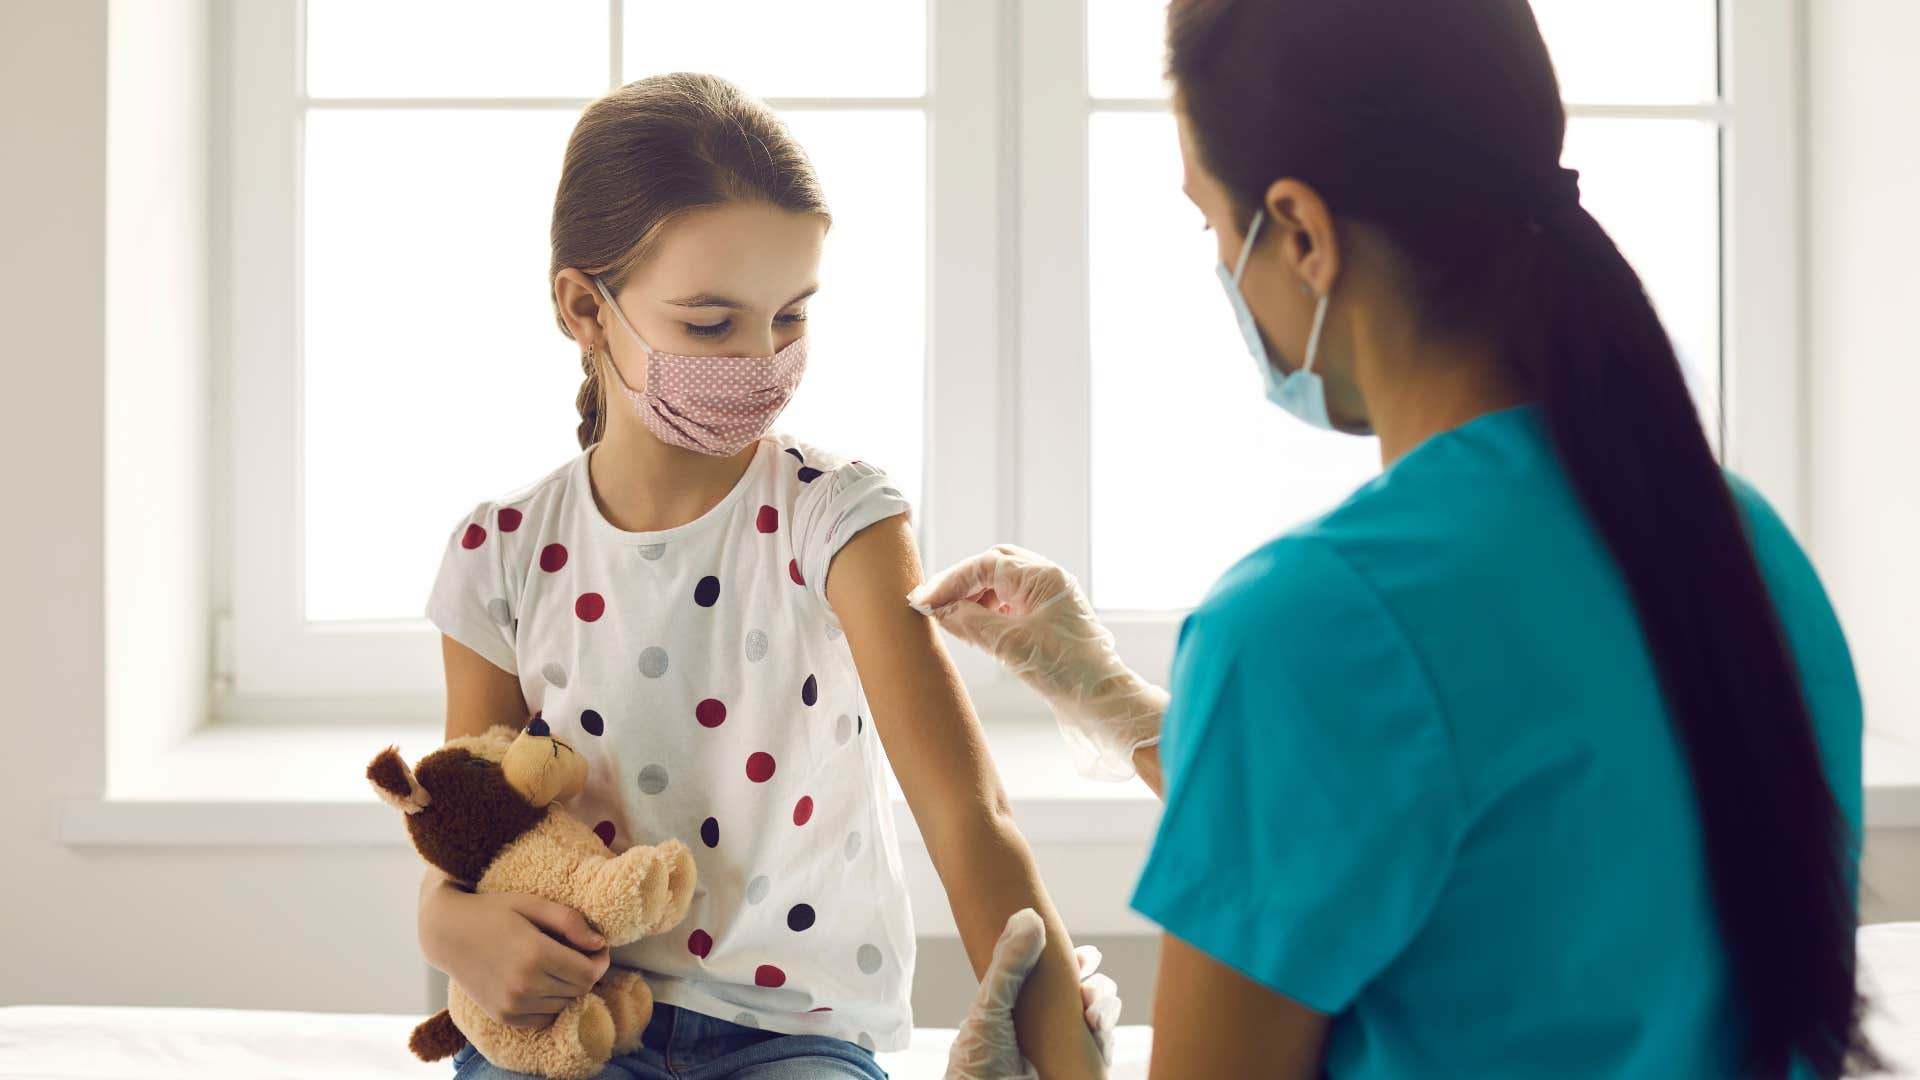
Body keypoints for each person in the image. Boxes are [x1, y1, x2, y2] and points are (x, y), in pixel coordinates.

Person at [911, 0, 1877, 1076]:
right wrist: (1113, 699)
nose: (1222, 262)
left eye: (1212, 225)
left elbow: (1381, 742)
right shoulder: (1741, 548)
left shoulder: (1310, 620)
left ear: (1303, 231)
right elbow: (1486, 844)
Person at [416, 73, 1109, 1080]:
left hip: (798, 1039)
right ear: (583, 306)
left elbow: (969, 816)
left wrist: (1074, 1070)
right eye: (710, 325)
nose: (763, 357)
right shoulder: (502, 551)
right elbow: (466, 824)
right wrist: (449, 928)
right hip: (581, 1029)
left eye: (791, 316)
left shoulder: (840, 519)